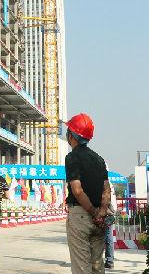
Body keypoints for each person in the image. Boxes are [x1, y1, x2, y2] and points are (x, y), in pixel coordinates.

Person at [64, 113, 111, 274]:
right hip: (99, 219)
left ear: (71, 135)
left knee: (82, 267)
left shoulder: (72, 157)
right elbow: (106, 189)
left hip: (81, 216)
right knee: (97, 265)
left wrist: (92, 212)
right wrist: (101, 212)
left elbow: (77, 190)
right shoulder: (99, 159)